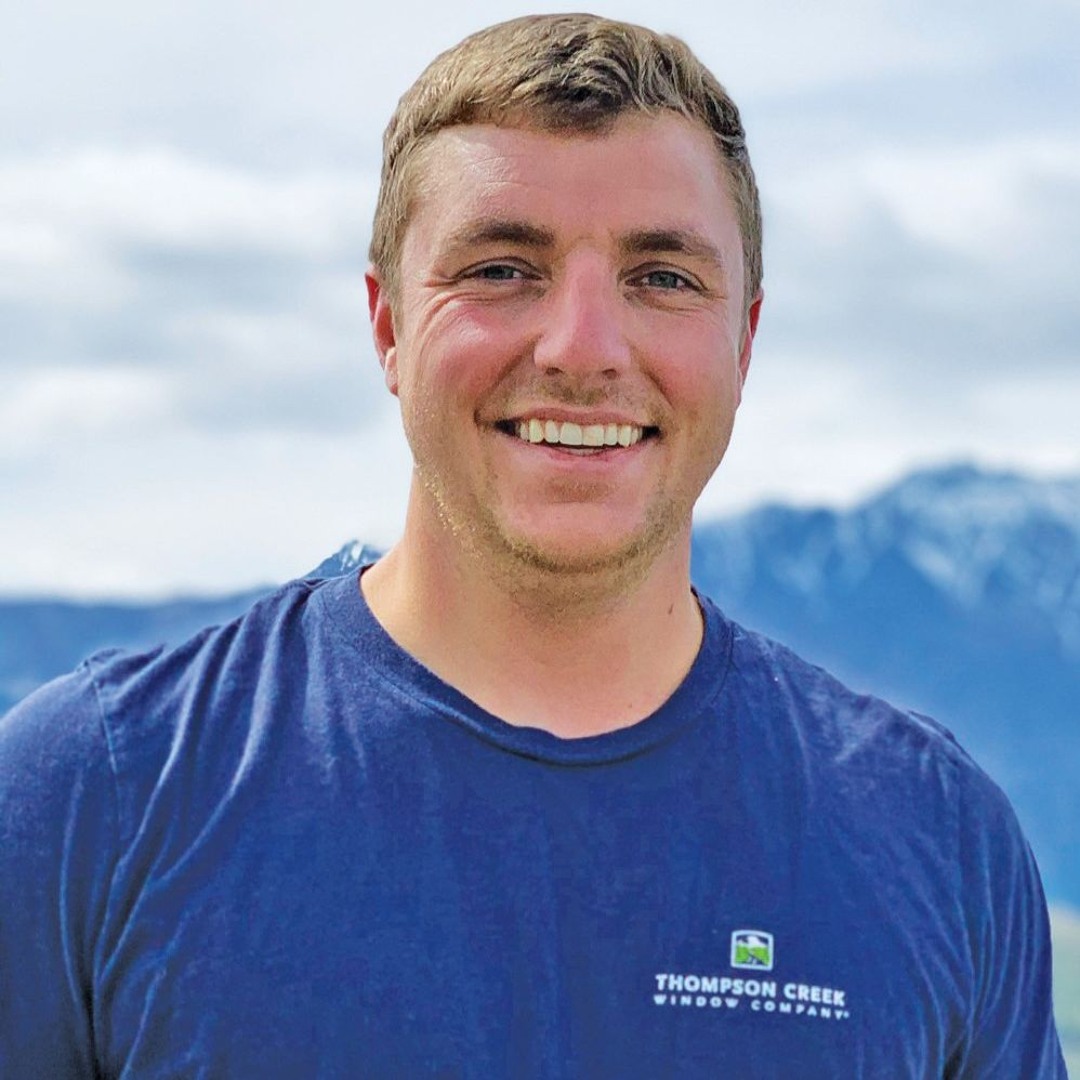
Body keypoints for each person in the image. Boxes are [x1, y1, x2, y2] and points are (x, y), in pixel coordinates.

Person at [0, 13, 1066, 1078]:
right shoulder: (94, 795)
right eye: (505, 268)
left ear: (743, 342)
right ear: (388, 327)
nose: (583, 349)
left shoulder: (937, 839)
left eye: (663, 277)